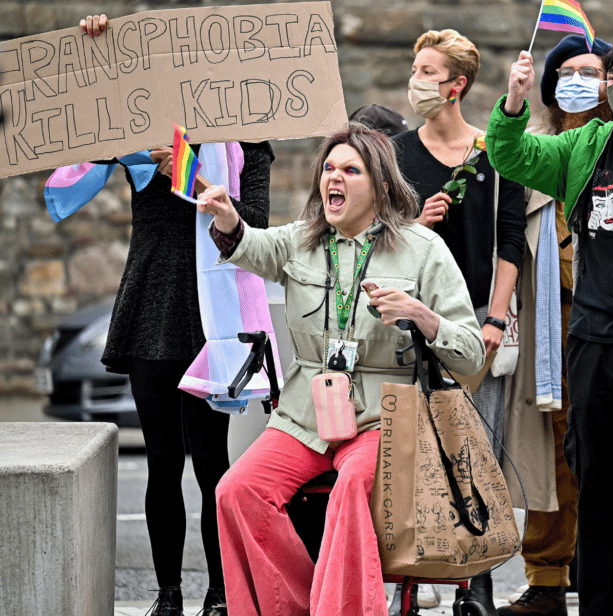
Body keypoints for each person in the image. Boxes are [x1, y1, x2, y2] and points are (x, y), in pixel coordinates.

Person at [209, 124, 486, 614]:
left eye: (350, 170)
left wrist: (421, 314)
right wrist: (229, 220)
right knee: (236, 491)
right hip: (305, 411)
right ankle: (299, 604)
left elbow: (470, 353)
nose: (333, 178)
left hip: (386, 415)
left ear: (380, 186)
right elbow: (249, 246)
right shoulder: (301, 240)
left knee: (353, 488)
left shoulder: (423, 249)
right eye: (329, 169)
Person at [75, 14, 273, 616]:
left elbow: (252, 223)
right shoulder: (144, 136)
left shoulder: (250, 145)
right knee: (162, 460)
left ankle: (219, 591)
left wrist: (188, 174)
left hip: (209, 318)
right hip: (152, 310)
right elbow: (85, 123)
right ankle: (167, 594)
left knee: (212, 461)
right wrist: (98, 48)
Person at [488, 35, 613, 616]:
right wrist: (514, 103)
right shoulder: (582, 143)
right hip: (594, 338)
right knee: (594, 484)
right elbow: (510, 158)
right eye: (612, 77)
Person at [392, 29, 526, 612]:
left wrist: (496, 319)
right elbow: (376, 239)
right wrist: (415, 221)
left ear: (457, 85)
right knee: (408, 453)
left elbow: (511, 241)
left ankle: (478, 590)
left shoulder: (494, 150)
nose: (416, 81)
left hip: (474, 321)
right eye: (415, 69)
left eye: (428, 71)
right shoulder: (395, 152)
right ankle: (408, 585)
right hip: (408, 321)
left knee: (479, 454)